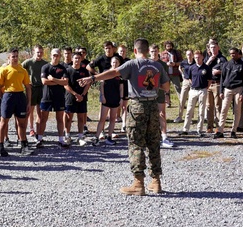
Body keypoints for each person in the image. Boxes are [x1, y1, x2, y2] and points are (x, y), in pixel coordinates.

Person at [81, 38, 169, 195]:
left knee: (136, 144)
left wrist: (93, 77)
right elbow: (166, 86)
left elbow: (114, 72)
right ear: (148, 51)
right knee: (153, 143)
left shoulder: (133, 64)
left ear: (135, 51)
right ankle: (156, 181)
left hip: (137, 106)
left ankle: (138, 183)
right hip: (153, 106)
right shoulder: (157, 65)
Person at [0, 48, 32, 155]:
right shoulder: (4, 70)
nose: (15, 58)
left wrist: (28, 102)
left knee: (21, 123)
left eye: (16, 56)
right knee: (3, 122)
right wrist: (4, 98)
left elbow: (28, 87)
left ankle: (23, 146)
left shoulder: (23, 70)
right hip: (8, 95)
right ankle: (1, 146)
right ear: (9, 58)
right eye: (13, 56)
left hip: (20, 96)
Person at [41, 49, 70, 147]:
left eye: (57, 55)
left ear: (60, 56)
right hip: (47, 96)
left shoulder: (63, 68)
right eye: (54, 55)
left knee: (60, 119)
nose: (55, 57)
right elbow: (44, 81)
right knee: (43, 118)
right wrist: (59, 81)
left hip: (59, 97)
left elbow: (65, 82)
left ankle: (61, 139)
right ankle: (39, 139)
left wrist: (53, 79)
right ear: (50, 55)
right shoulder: (45, 67)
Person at [217, 48, 243, 138]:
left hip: (238, 89)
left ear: (238, 54)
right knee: (224, 110)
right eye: (231, 53)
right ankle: (220, 131)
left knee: (237, 110)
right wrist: (221, 91)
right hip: (227, 89)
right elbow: (222, 78)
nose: (232, 55)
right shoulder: (226, 64)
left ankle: (234, 130)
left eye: (234, 53)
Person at [64, 50, 92, 146]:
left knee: (81, 117)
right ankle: (67, 136)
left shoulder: (84, 71)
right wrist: (75, 94)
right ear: (72, 59)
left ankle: (80, 137)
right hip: (70, 97)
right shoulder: (67, 70)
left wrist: (82, 95)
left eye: (79, 58)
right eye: (75, 58)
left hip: (82, 97)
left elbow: (88, 84)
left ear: (81, 59)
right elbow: (65, 84)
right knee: (69, 117)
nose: (77, 60)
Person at [22, 46, 48, 141]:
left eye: (41, 52)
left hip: (42, 88)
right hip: (32, 88)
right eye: (38, 52)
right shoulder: (28, 62)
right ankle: (29, 130)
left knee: (40, 112)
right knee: (29, 110)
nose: (39, 54)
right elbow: (20, 69)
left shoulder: (45, 64)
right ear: (34, 52)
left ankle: (38, 132)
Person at [97, 55, 123, 144]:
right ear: (111, 63)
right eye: (113, 62)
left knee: (113, 119)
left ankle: (109, 137)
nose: (115, 64)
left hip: (115, 98)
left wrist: (121, 98)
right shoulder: (106, 72)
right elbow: (101, 85)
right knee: (102, 118)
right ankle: (97, 137)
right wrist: (102, 96)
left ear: (119, 63)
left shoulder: (120, 74)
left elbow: (121, 88)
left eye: (116, 62)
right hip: (106, 98)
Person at [182, 50, 209, 135]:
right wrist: (193, 85)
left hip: (202, 90)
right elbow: (188, 78)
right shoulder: (191, 67)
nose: (197, 59)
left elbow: (210, 79)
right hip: (193, 90)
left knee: (201, 111)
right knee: (189, 110)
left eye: (199, 57)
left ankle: (199, 130)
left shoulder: (206, 68)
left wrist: (205, 88)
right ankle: (185, 129)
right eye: (196, 57)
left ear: (202, 57)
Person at [203, 40, 226, 135]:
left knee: (218, 106)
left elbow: (227, 70)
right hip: (208, 84)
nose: (213, 49)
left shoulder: (222, 58)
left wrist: (218, 72)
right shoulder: (207, 58)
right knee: (209, 106)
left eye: (215, 47)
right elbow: (202, 68)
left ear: (218, 48)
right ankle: (209, 126)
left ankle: (218, 127)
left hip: (217, 83)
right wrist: (209, 61)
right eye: (211, 47)